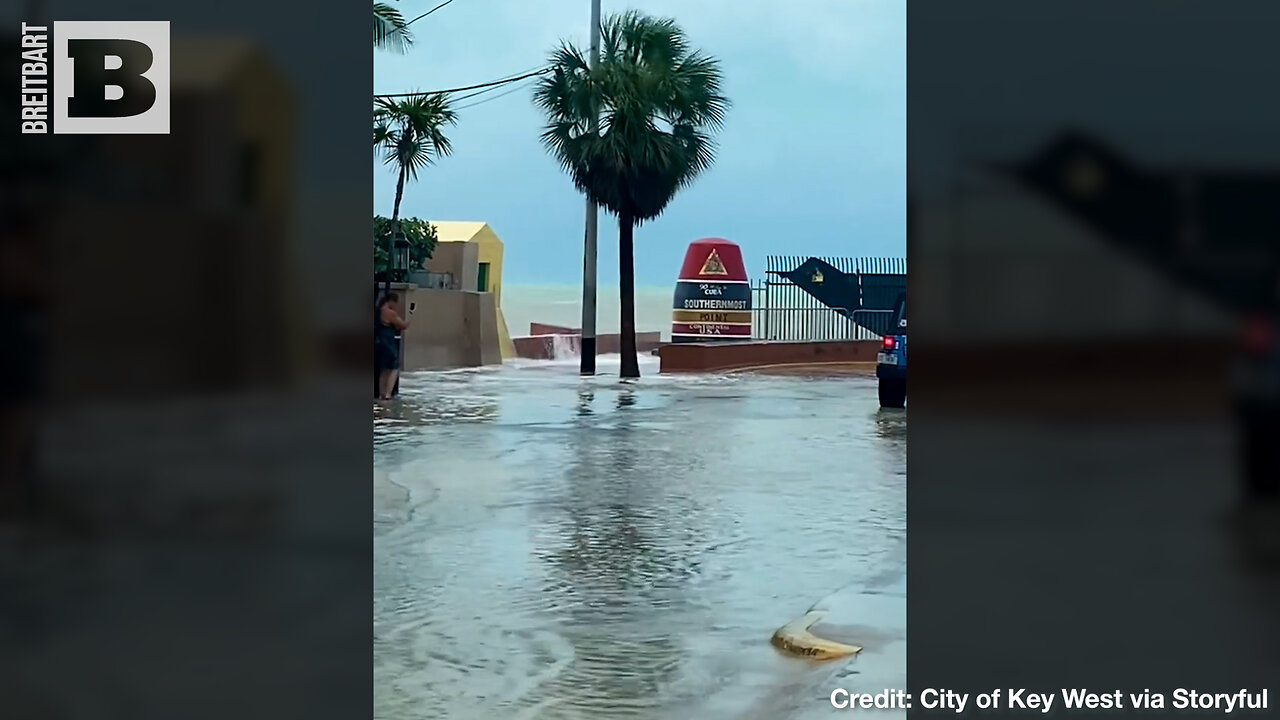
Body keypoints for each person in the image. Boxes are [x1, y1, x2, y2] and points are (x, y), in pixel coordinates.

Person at [375, 292, 411, 401]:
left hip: (379, 341)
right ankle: (388, 393)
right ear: (391, 301)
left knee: (384, 369)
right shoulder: (390, 313)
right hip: (388, 342)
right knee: (394, 367)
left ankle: (382, 393)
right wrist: (410, 316)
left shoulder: (379, 311)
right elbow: (403, 325)